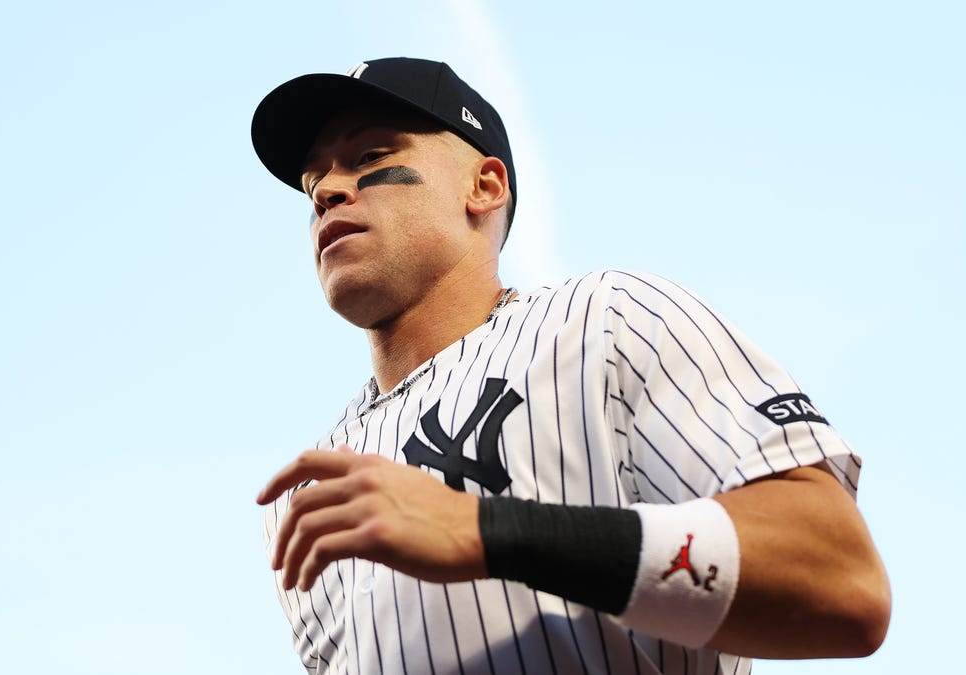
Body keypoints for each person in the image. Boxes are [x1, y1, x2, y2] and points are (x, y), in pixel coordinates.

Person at [250, 57, 890, 675]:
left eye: (371, 157)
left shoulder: (604, 320)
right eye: (313, 183)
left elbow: (843, 582)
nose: (329, 190)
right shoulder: (305, 494)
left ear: (485, 186)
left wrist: (490, 531)